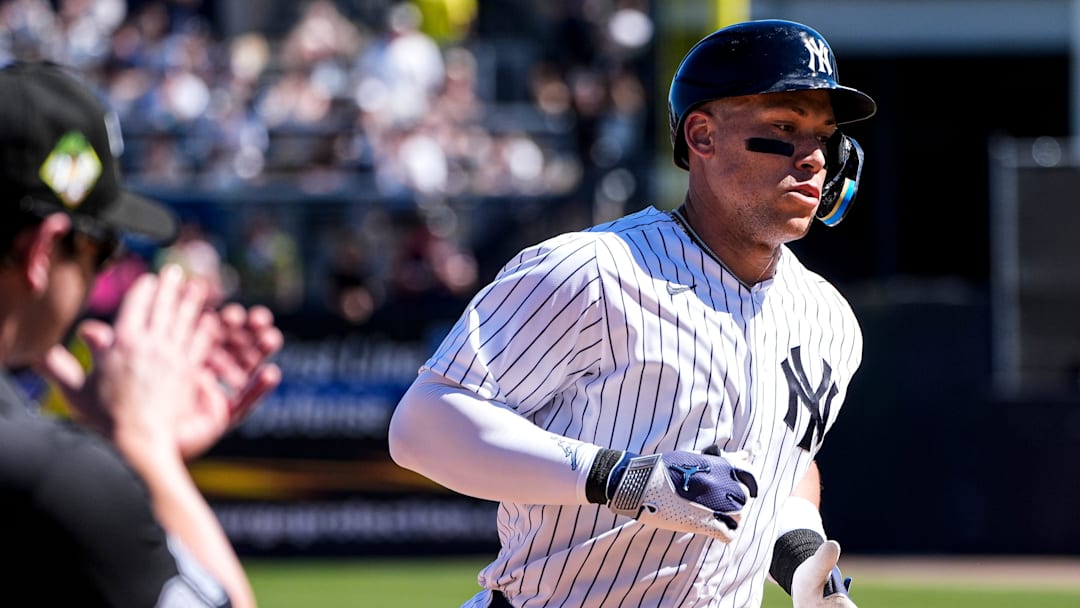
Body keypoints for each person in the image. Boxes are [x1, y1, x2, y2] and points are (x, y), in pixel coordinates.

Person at [389, 19, 876, 608]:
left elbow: (785, 461)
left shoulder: (829, 319)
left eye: (825, 136)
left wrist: (801, 556)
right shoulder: (590, 270)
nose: (814, 158)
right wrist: (624, 478)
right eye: (784, 127)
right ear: (702, 136)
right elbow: (421, 427)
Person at [0, 61, 283, 607]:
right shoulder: (49, 474)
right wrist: (144, 446)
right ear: (42, 249)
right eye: (101, 249)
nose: (100, 274)